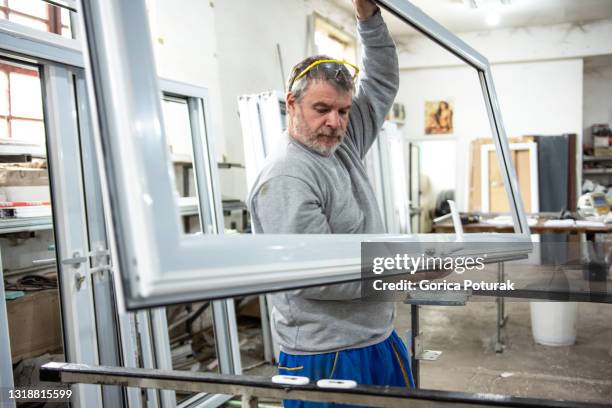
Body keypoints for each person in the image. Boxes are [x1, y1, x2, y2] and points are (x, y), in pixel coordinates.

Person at [248, 1, 412, 406]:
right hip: (328, 357)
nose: (335, 122)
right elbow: (320, 277)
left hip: (376, 337)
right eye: (321, 109)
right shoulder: (287, 176)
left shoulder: (342, 142)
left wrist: (368, 18)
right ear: (292, 103)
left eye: (342, 110)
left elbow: (383, 82)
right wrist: (403, 272)